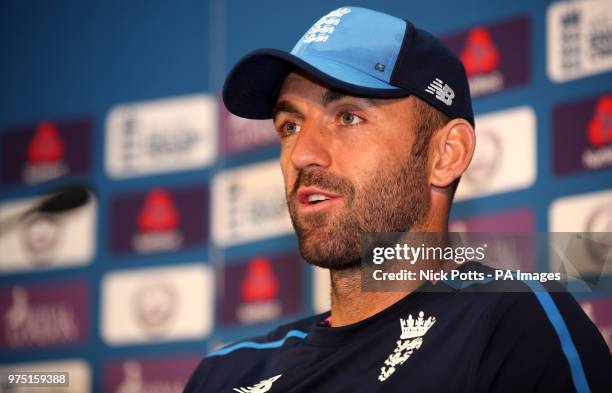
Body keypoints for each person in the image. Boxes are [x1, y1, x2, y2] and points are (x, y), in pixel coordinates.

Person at [185, 7, 611, 393]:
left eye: (348, 117)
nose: (302, 154)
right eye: (290, 125)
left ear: (446, 155)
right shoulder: (226, 373)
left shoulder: (509, 327)